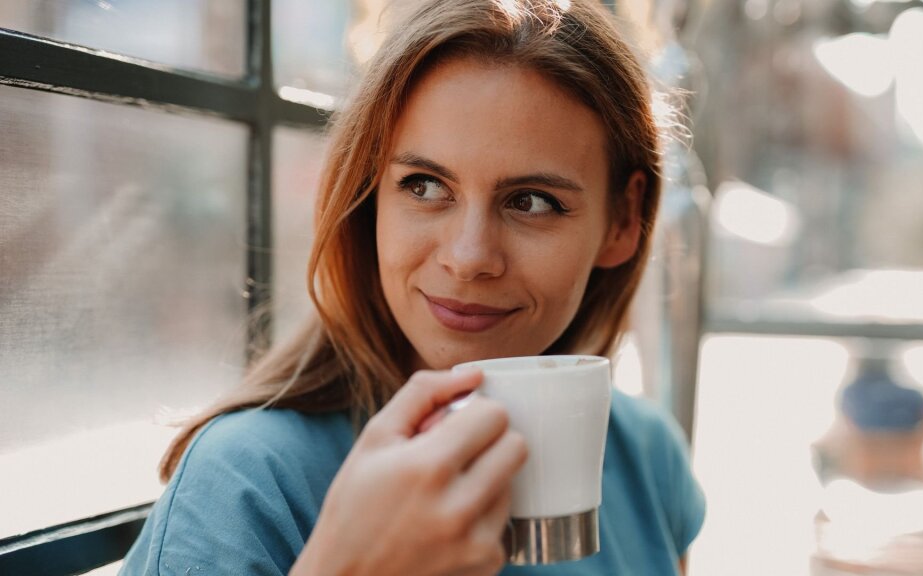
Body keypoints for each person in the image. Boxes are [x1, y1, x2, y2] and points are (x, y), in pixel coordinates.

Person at [120, 0, 705, 574]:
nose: (469, 257)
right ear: (369, 195)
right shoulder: (247, 483)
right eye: (424, 186)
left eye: (531, 202)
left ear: (624, 221)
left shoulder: (647, 459)